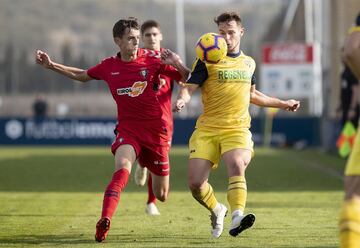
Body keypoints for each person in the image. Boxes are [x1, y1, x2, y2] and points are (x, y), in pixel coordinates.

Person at [35, 17, 190, 242]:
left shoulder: (155, 59)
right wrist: (52, 65)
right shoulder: (109, 66)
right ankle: (104, 221)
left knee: (161, 195)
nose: (136, 43)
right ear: (117, 41)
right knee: (121, 170)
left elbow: (188, 78)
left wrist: (177, 62)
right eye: (131, 39)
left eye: (138, 38)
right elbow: (81, 75)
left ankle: (145, 162)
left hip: (156, 133)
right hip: (129, 130)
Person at [174, 12, 300, 238]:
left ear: (241, 32)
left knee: (236, 164)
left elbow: (252, 95)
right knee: (195, 183)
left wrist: (282, 103)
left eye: (230, 32)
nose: (226, 37)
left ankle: (237, 216)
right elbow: (189, 86)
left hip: (237, 128)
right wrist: (183, 99)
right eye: (221, 33)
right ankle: (217, 209)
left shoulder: (248, 63)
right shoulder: (207, 59)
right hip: (208, 129)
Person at [132, 20, 181, 216]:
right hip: (141, 120)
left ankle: (151, 200)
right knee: (150, 156)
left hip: (164, 120)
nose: (151, 38)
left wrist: (182, 97)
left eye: (154, 34)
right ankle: (151, 200)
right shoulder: (137, 59)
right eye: (147, 35)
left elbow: (185, 79)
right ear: (142, 39)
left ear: (160, 36)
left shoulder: (168, 58)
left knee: (159, 161)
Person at [339, 12, 360, 248]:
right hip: (350, 113)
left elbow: (352, 49)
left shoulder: (351, 66)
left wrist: (354, 110)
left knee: (353, 193)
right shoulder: (345, 72)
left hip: (354, 115)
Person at [338, 58, 359, 128]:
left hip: (351, 111)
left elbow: (355, 90)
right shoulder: (344, 72)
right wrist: (340, 107)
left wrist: (352, 108)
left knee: (352, 134)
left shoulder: (352, 71)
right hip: (345, 109)